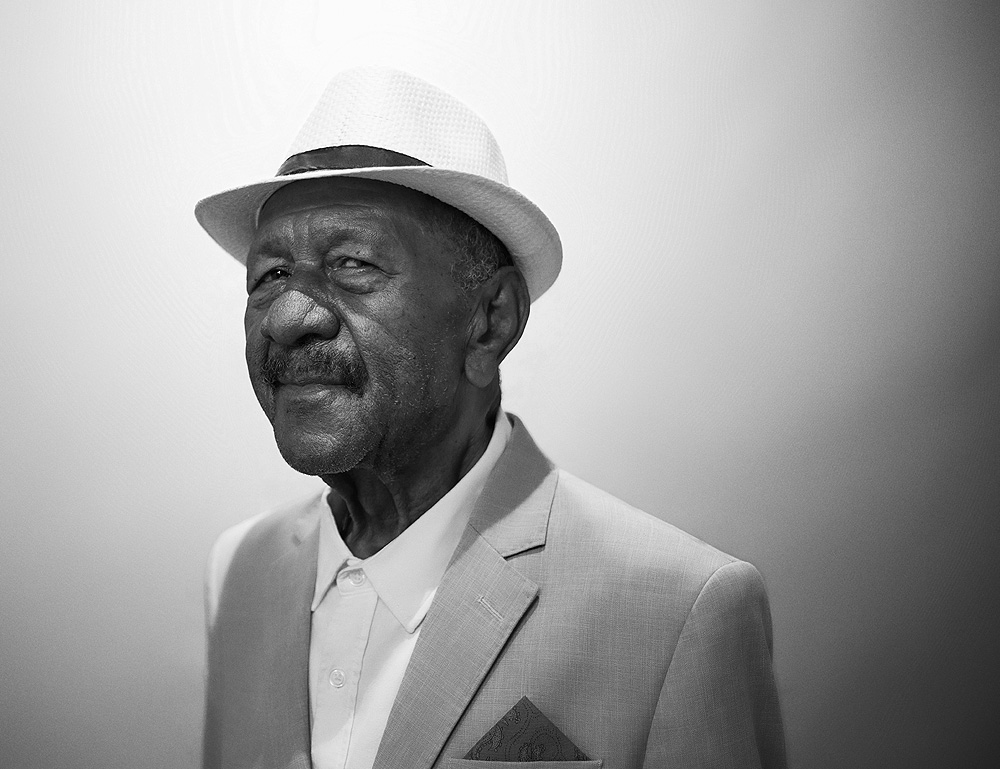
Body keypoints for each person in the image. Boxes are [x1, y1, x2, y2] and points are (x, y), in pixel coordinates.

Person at [195, 67, 786, 769]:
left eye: (352, 263)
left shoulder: (680, 611)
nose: (289, 317)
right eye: (269, 275)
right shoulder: (239, 572)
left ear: (490, 320)